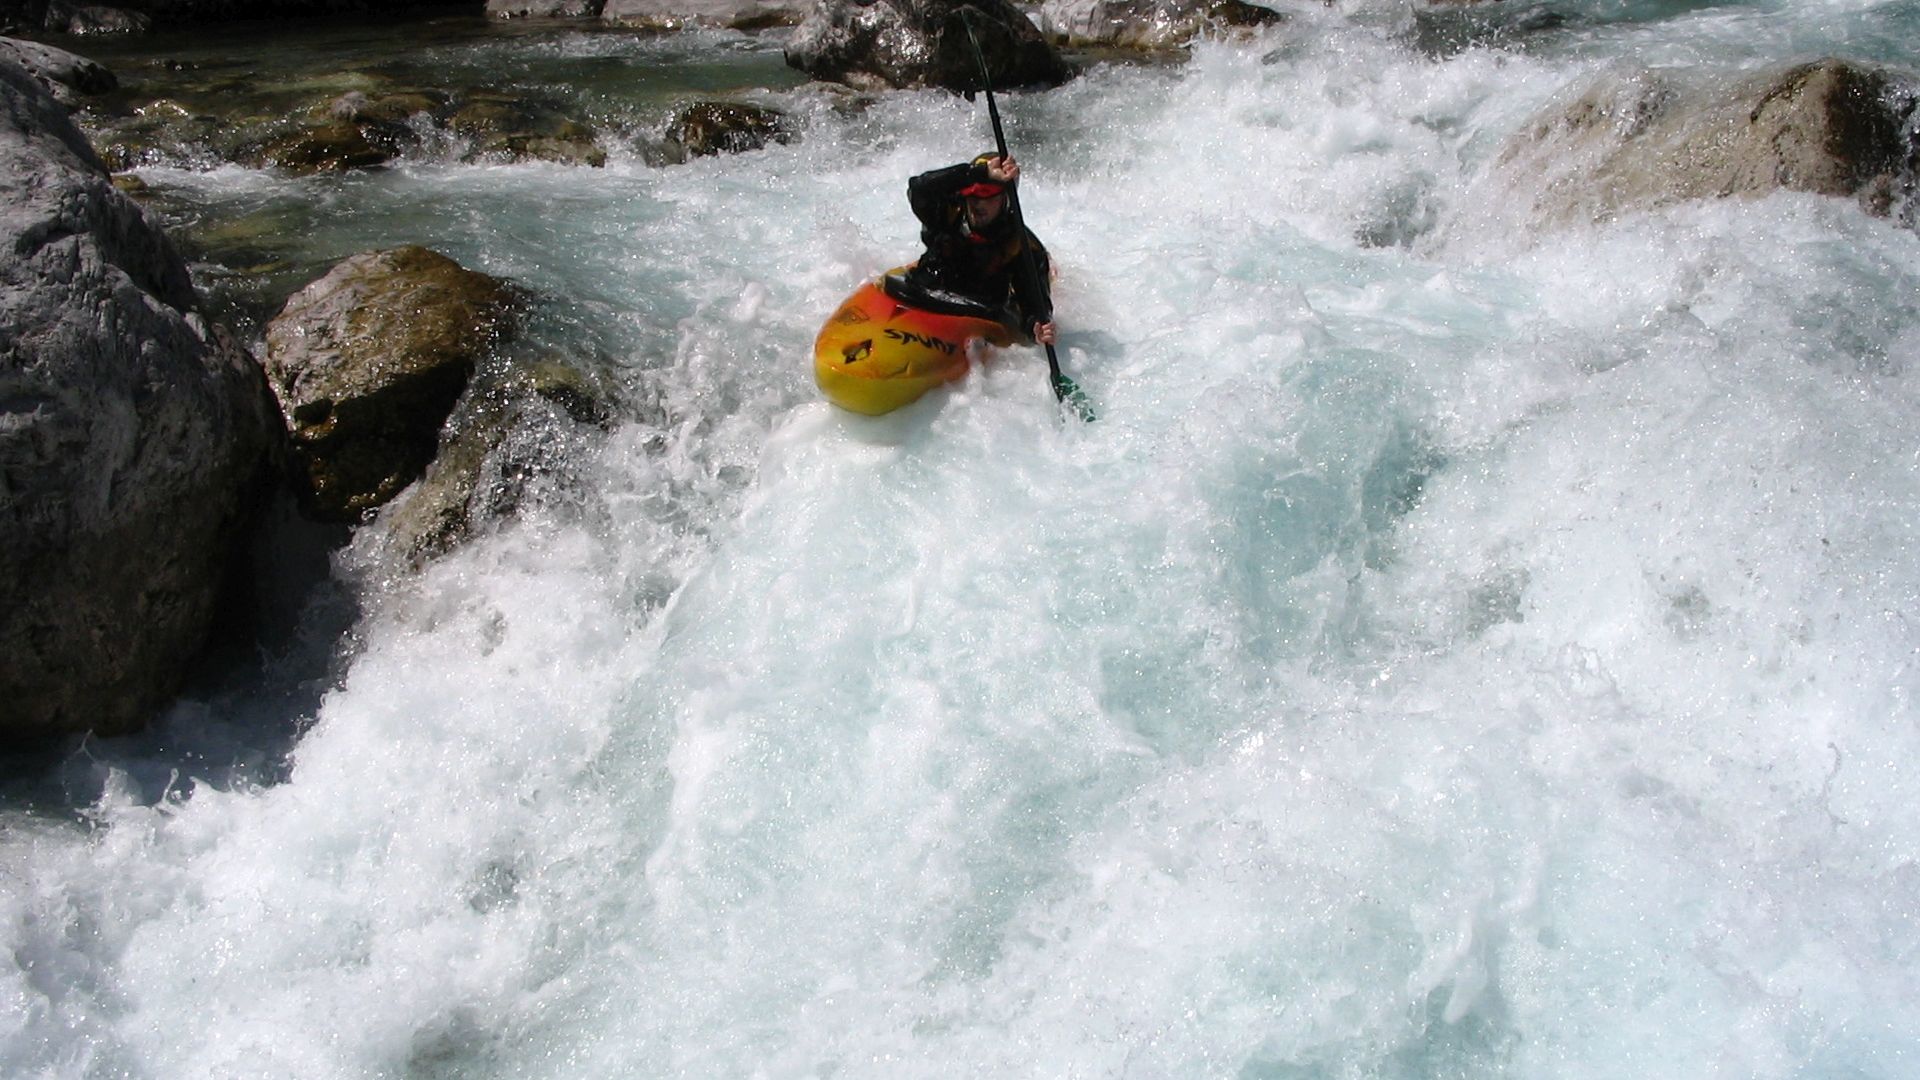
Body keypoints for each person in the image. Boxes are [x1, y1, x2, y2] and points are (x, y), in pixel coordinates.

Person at [894, 152, 1057, 346]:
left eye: (987, 196)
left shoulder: (1021, 245)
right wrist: (976, 173)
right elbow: (919, 188)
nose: (978, 204)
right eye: (972, 196)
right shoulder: (948, 212)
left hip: (976, 313)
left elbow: (1032, 306)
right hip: (925, 295)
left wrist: (1036, 328)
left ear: (1006, 198)